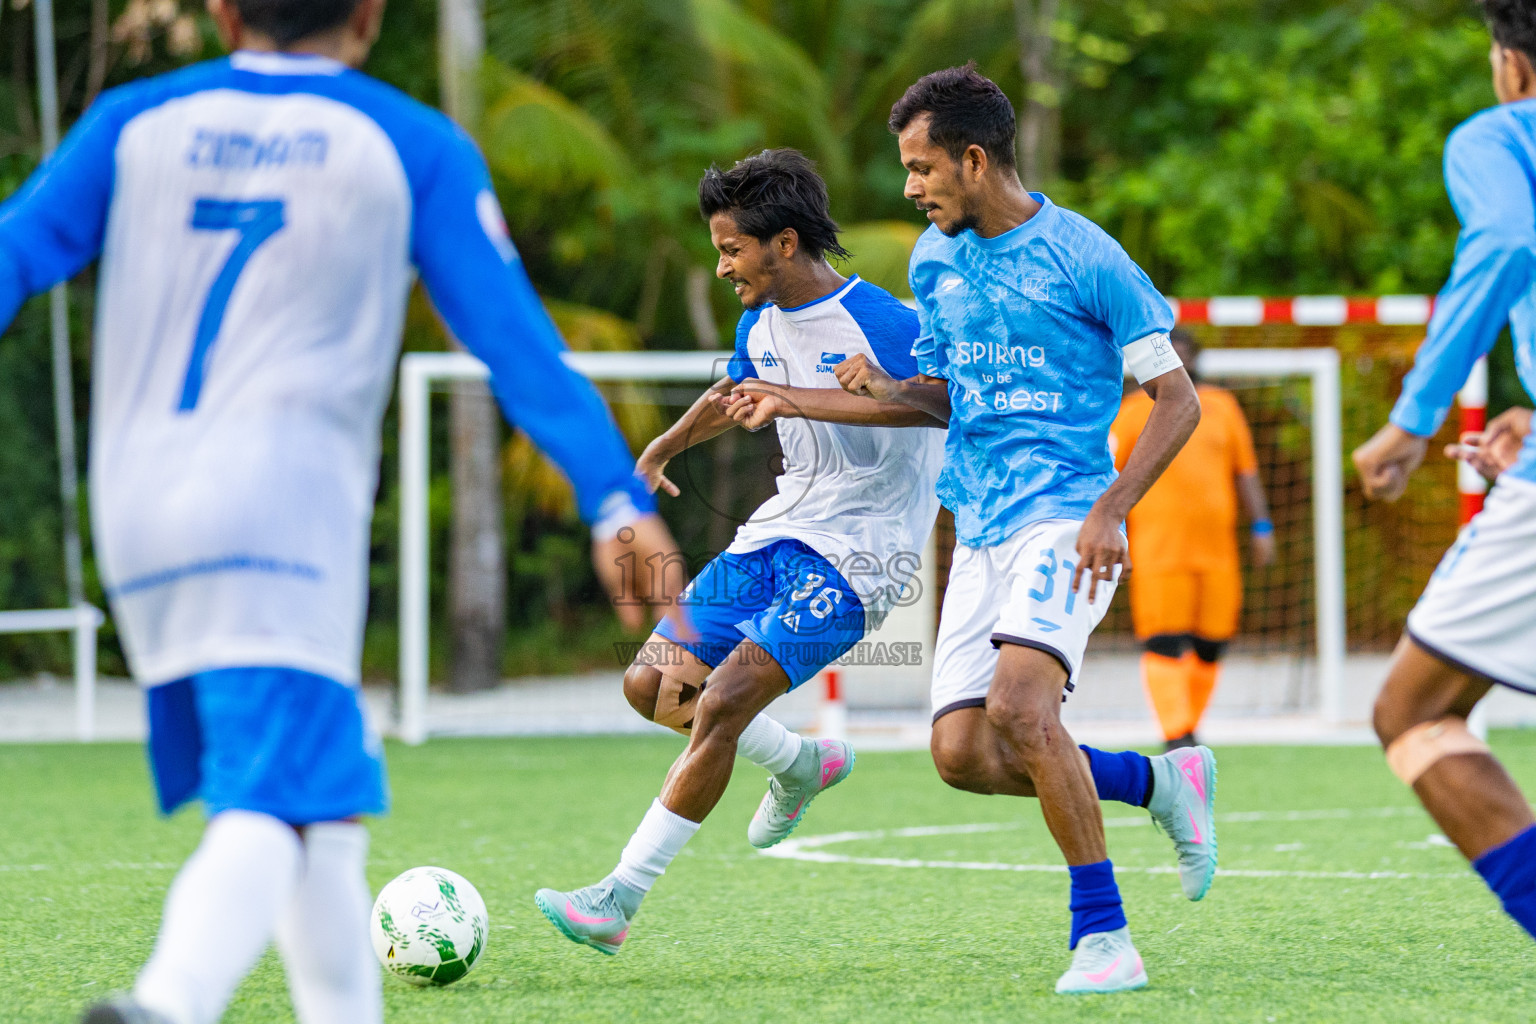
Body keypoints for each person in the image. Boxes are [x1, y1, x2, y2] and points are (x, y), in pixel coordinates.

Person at [0, 1, 683, 1021]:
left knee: (324, 811)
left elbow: (11, 255)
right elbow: (518, 346)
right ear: (369, 15)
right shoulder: (409, 144)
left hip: (136, 517)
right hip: (280, 515)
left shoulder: (130, 122)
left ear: (224, 10)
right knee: (273, 796)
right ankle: (168, 1001)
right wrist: (614, 500)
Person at [822, 64, 1215, 995]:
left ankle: (1105, 938)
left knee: (1022, 711)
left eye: (922, 170)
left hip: (1068, 515)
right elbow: (952, 397)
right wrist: (888, 390)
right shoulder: (933, 261)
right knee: (961, 754)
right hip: (981, 526)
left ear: (972, 158)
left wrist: (1112, 507)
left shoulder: (1087, 256)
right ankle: (1161, 784)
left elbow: (1177, 400)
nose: (910, 189)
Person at [534, 148, 945, 954]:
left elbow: (938, 404)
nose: (722, 267)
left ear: (784, 243)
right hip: (780, 529)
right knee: (651, 683)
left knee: (722, 699)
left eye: (730, 250)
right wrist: (664, 446)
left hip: (863, 553)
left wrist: (807, 395)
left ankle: (618, 899)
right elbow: (739, 393)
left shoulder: (887, 322)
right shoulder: (759, 321)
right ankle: (800, 763)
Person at [1352, 0, 1536, 948]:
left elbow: (1506, 241)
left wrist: (1413, 420)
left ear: (1512, 63)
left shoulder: (1504, 133)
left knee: (1412, 711)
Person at [1110, 329, 1275, 750]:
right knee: (1163, 640)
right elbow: (1107, 474)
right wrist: (1109, 527)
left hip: (1218, 553)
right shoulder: (1130, 412)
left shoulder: (1222, 407)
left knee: (1212, 644)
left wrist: (1261, 526)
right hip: (1157, 551)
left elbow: (1247, 472)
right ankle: (1176, 733)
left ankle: (1188, 725)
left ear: (1198, 361)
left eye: (1185, 356)